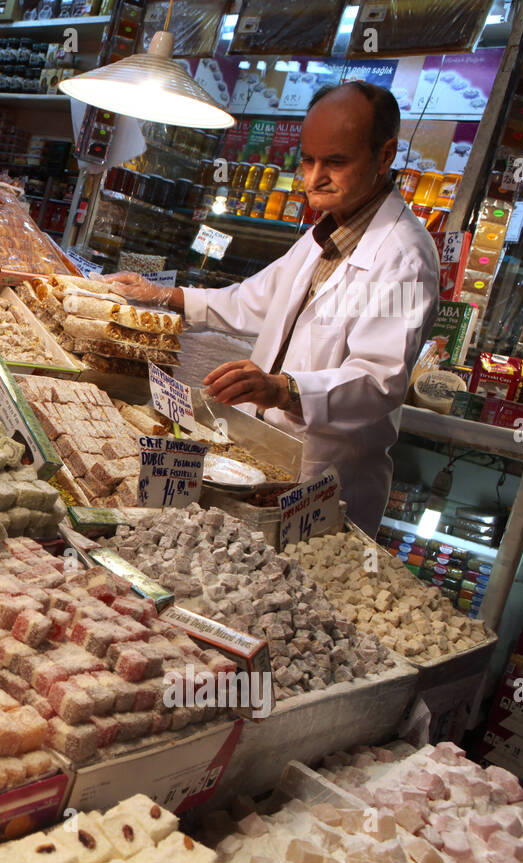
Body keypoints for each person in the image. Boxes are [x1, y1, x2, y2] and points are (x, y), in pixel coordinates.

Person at [105, 81, 440, 534]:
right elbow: (253, 300)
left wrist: (283, 389)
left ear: (385, 156)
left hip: (323, 481)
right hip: (264, 459)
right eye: (308, 160)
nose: (314, 177)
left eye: (336, 162)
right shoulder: (325, 234)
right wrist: (162, 295)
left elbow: (379, 382)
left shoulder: (406, 259)